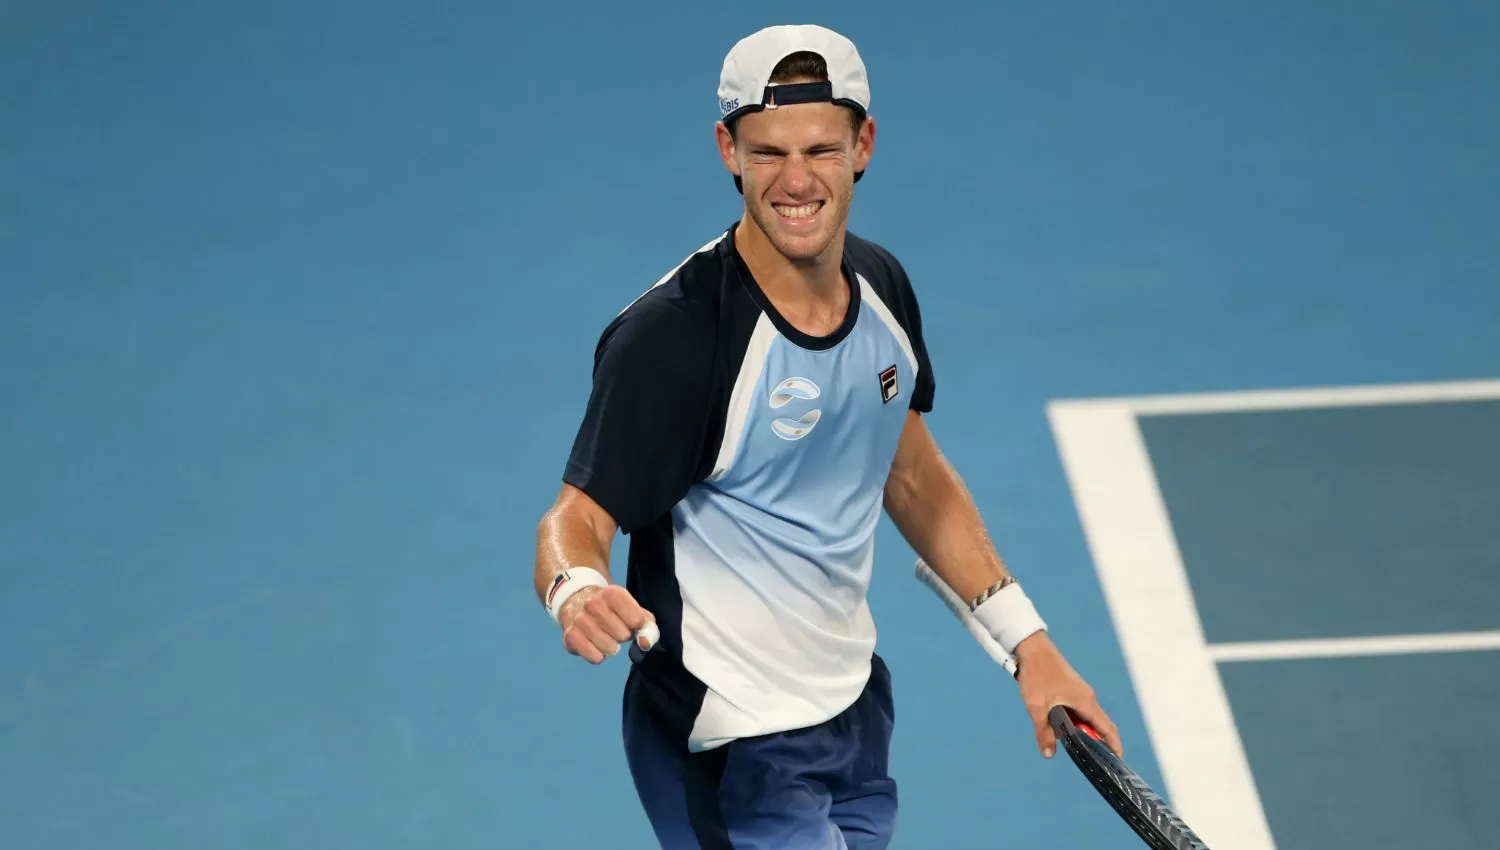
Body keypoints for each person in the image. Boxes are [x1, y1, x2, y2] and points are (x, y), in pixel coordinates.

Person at [533, 23, 1122, 850]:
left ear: (863, 145)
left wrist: (1031, 646)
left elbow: (910, 473)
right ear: (728, 151)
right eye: (768, 152)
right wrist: (577, 589)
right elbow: (576, 517)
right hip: (727, 740)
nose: (797, 180)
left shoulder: (880, 286)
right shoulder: (674, 340)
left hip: (852, 709)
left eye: (820, 149)